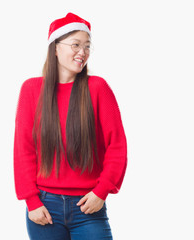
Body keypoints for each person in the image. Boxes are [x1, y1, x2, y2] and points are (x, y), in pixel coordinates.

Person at [14, 12, 127, 240]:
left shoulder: (97, 88)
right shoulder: (31, 90)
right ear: (55, 48)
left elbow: (117, 146)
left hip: (88, 206)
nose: (82, 52)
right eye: (75, 44)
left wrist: (102, 190)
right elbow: (23, 149)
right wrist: (31, 200)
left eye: (87, 46)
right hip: (45, 210)